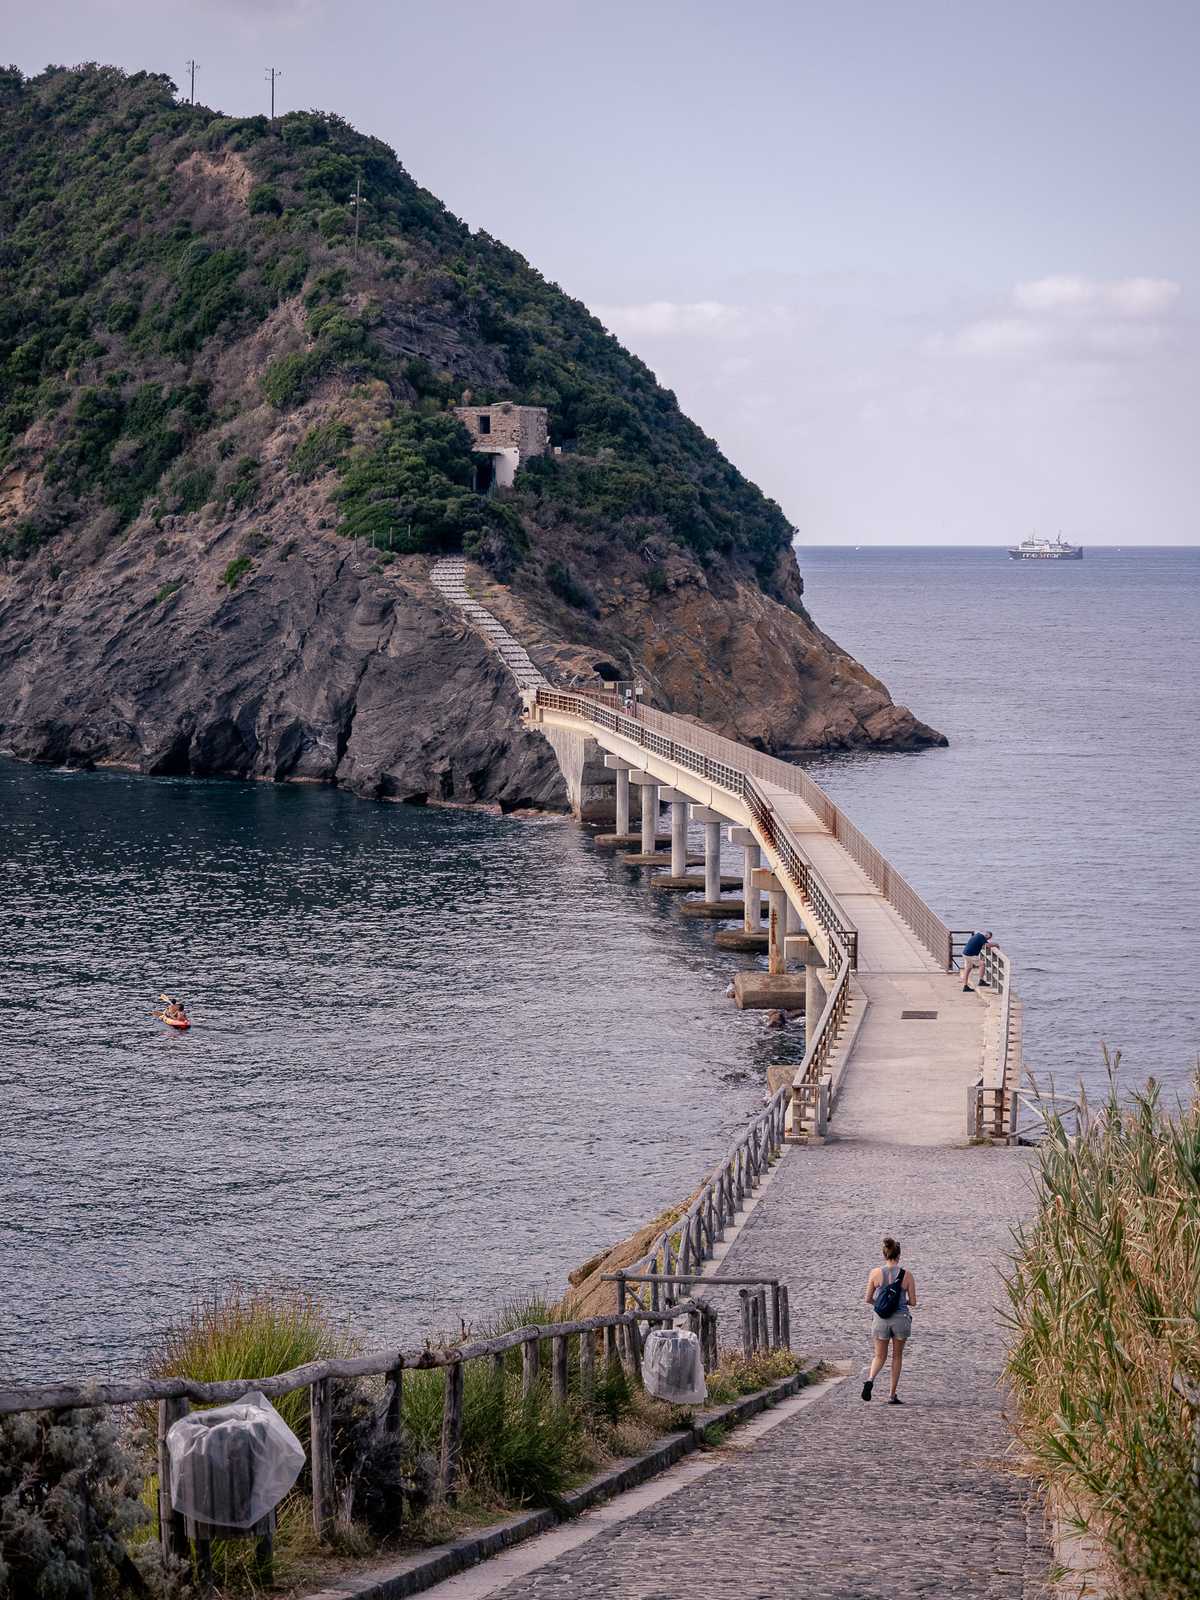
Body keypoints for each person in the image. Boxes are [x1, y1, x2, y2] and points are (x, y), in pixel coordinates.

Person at [862, 1236, 917, 1404]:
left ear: (884, 1254)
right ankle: (892, 1395)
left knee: (879, 1356)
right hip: (900, 1319)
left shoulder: (875, 1273)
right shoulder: (907, 1275)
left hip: (881, 1319)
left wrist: (881, 1305)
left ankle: (870, 1380)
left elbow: (868, 1299)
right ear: (899, 1255)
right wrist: (901, 1302)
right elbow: (913, 1302)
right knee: (897, 1357)